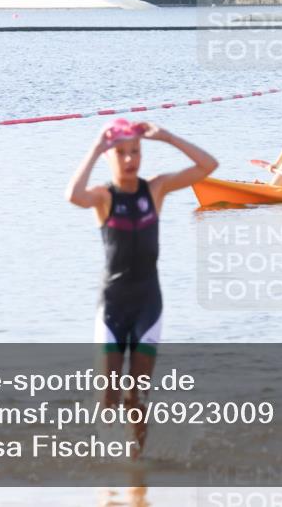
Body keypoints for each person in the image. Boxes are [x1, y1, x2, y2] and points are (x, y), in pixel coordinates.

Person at [65, 118, 217, 450]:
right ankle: (105, 462)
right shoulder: (104, 197)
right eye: (121, 153)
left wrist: (167, 136)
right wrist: (94, 149)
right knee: (109, 396)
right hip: (113, 306)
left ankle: (136, 470)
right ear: (110, 156)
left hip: (148, 303)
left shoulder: (156, 188)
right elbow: (73, 195)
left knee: (135, 396)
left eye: (135, 151)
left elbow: (209, 165)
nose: (130, 159)